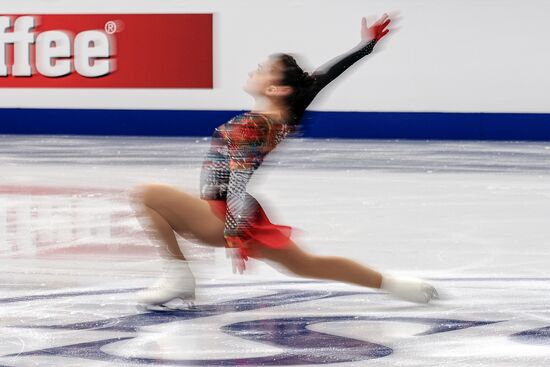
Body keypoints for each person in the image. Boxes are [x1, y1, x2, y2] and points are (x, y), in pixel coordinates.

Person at [134, 14, 438, 307]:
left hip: (224, 213)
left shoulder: (253, 125)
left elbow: (237, 182)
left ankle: (178, 274)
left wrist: (232, 233)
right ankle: (398, 286)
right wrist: (366, 47)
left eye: (263, 69)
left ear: (276, 88)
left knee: (148, 195)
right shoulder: (284, 116)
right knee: (307, 265)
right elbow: (323, 79)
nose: (255, 70)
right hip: (243, 213)